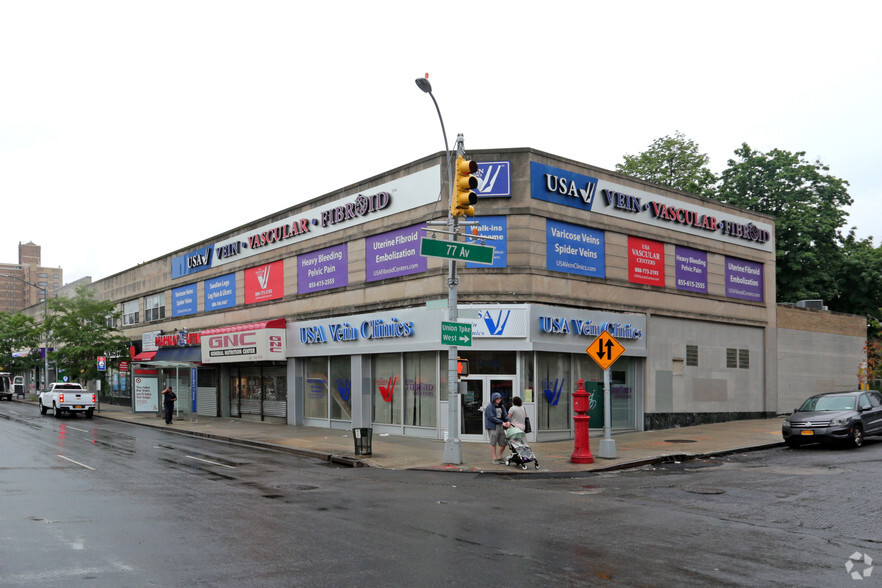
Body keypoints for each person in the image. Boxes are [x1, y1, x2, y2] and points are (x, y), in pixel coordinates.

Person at [484, 392, 510, 464]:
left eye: (500, 398)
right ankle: (494, 458)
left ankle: (500, 457)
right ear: (494, 399)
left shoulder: (502, 406)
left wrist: (508, 421)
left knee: (503, 442)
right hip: (493, 427)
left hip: (501, 426)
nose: (499, 400)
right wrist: (502, 422)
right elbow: (491, 417)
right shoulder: (489, 407)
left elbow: (505, 415)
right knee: (493, 443)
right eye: (497, 398)